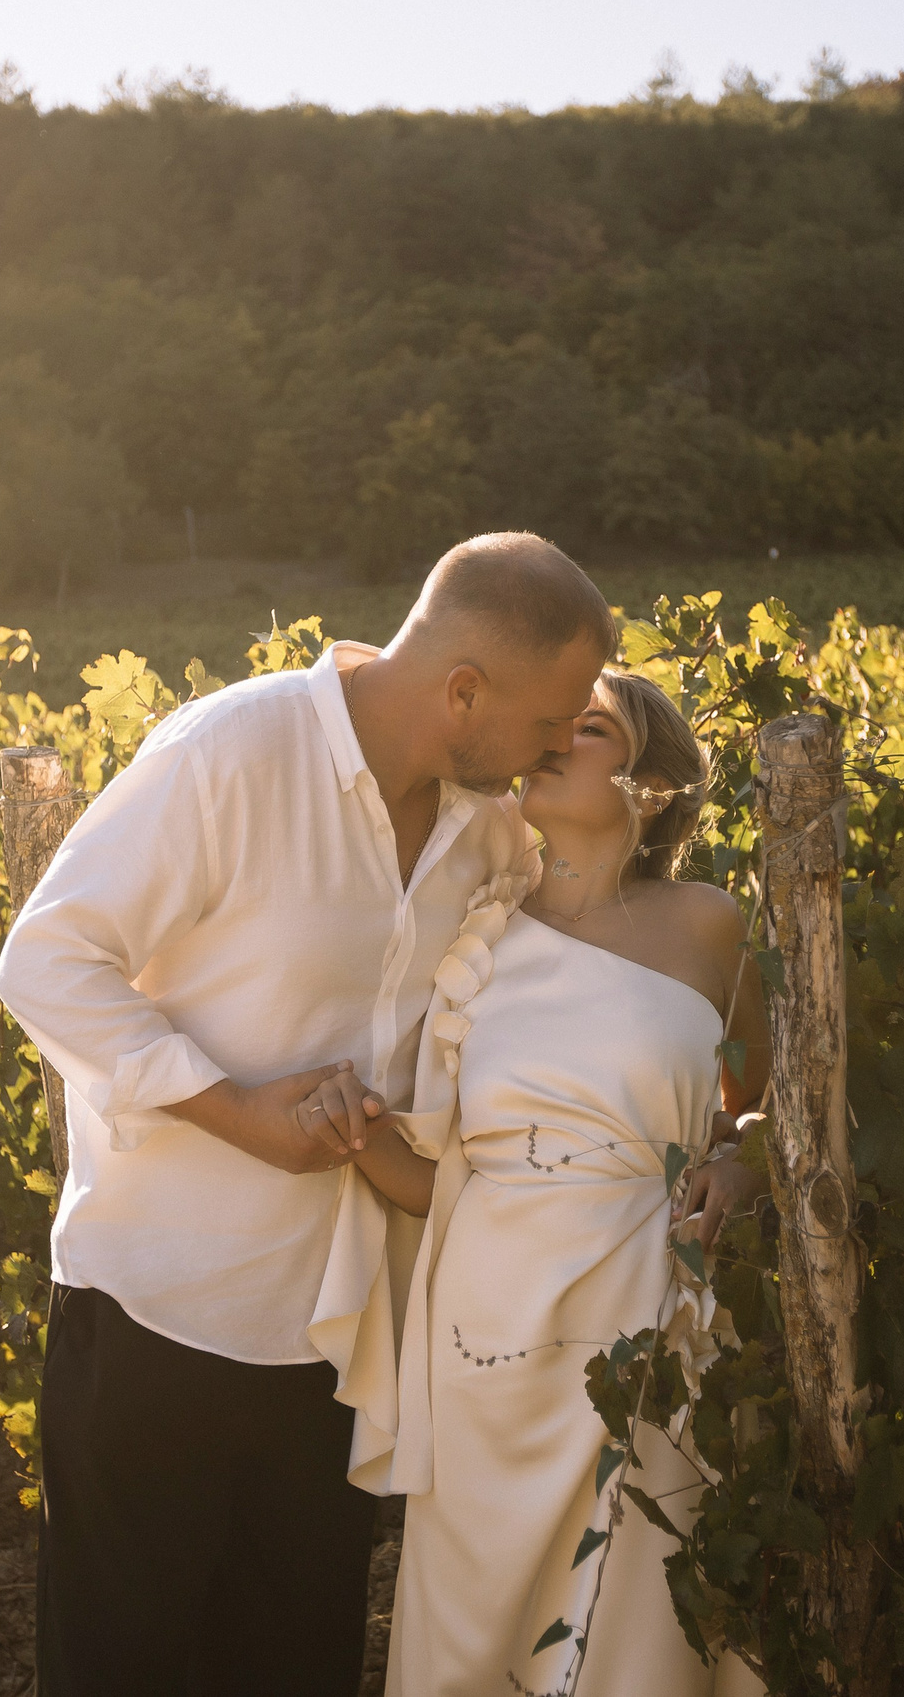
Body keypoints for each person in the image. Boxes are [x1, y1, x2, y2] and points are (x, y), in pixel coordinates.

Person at [0, 531, 614, 1696]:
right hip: (161, 1312)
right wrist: (237, 1113)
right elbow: (45, 962)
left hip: (341, 1338)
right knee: (121, 1672)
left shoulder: (487, 832)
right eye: (551, 718)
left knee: (293, 1672)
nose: (557, 745)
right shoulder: (232, 751)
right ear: (464, 690)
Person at [328, 671, 773, 1697]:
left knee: (639, 1612)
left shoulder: (708, 926)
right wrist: (345, 1131)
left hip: (650, 1305)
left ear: (648, 780)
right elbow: (434, 1179)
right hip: (486, 1324)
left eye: (590, 727)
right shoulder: (473, 937)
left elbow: (769, 1100)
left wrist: (740, 1163)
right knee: (477, 1622)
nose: (552, 740)